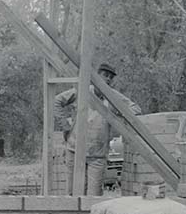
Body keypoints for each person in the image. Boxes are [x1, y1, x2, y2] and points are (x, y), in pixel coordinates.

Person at [54, 62, 140, 191]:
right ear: (97, 76)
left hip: (97, 155)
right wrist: (65, 126)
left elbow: (135, 109)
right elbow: (57, 101)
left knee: (93, 197)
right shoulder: (82, 91)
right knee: (73, 194)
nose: (108, 79)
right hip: (75, 150)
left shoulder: (113, 96)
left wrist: (119, 113)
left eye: (111, 77)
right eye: (105, 75)